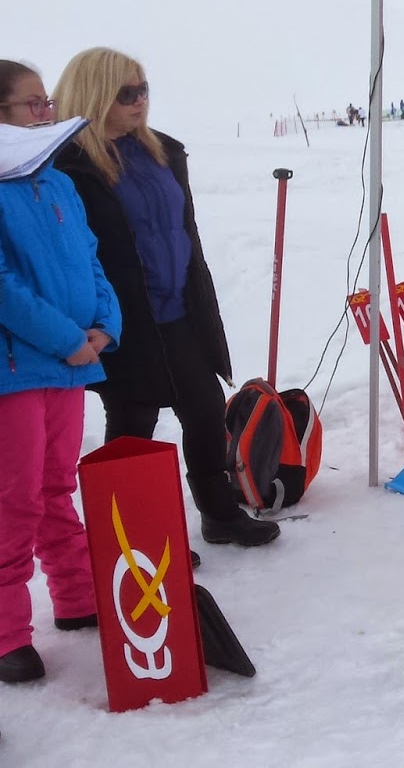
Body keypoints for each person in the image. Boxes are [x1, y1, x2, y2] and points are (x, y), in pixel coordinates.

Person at [53, 48, 279, 548]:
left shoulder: (160, 152)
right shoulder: (69, 166)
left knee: (205, 408)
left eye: (143, 89)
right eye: (126, 93)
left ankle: (220, 515)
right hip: (122, 318)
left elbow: (183, 231)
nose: (140, 101)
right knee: (134, 422)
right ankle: (134, 546)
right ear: (94, 94)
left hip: (179, 310)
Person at [0, 63, 123, 684]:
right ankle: (7, 636)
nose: (45, 114)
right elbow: (3, 287)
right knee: (14, 499)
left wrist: (105, 325)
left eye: (46, 102)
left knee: (55, 486)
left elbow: (92, 262)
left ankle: (76, 597)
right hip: (17, 371)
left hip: (70, 367)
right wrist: (66, 339)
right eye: (32, 105)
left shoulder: (58, 183)